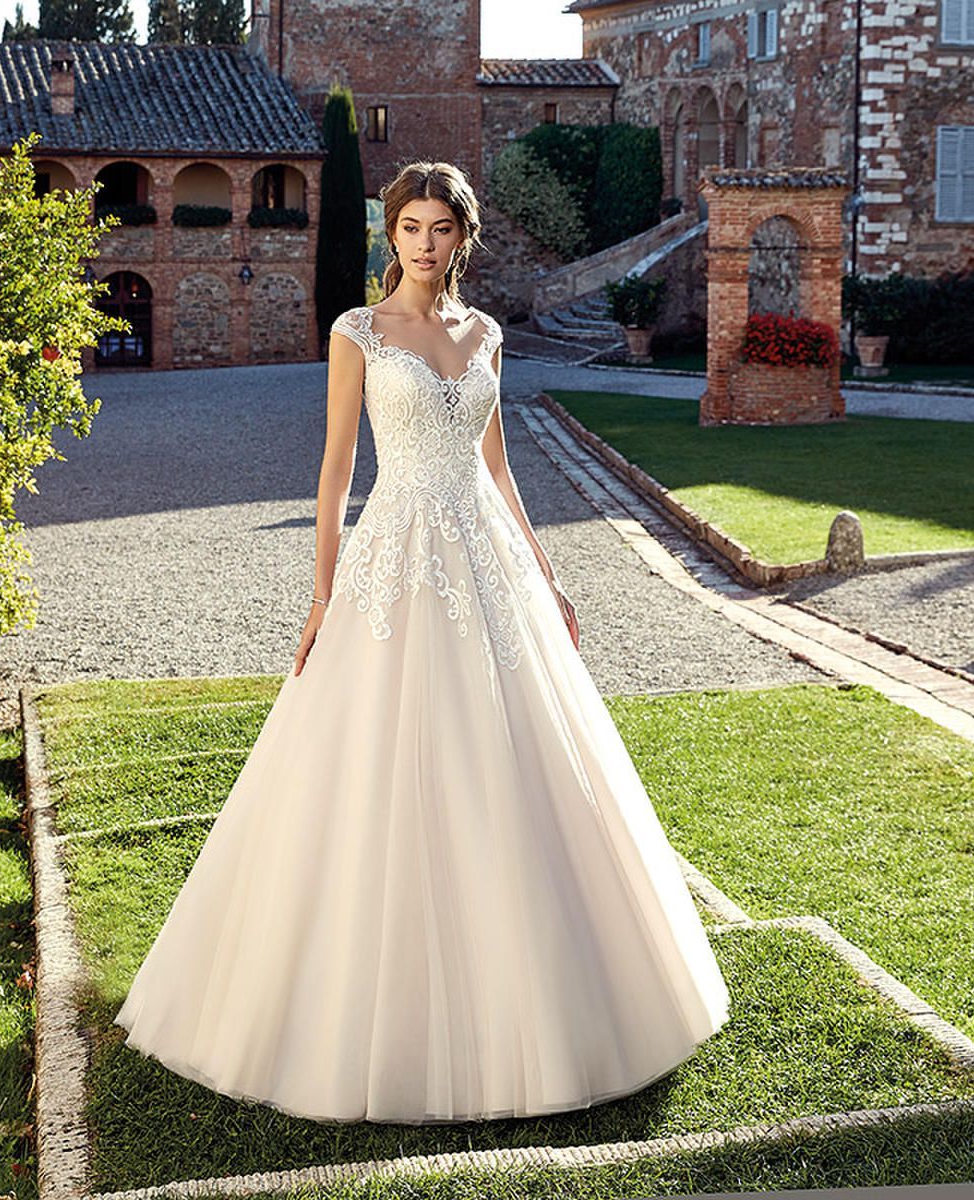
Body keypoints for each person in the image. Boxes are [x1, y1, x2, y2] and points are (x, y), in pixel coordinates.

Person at [112, 161, 730, 1124]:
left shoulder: (486, 334)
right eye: (411, 227)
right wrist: (320, 595)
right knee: (373, 756)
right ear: (389, 234)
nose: (426, 244)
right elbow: (336, 469)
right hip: (394, 556)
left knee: (511, 752)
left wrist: (548, 572)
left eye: (442, 229)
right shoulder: (357, 332)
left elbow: (499, 466)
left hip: (487, 558)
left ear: (462, 238)